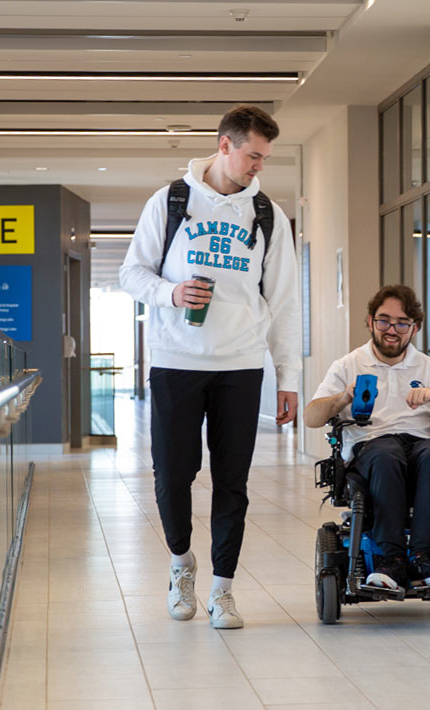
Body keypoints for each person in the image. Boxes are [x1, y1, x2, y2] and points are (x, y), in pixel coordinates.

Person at [119, 105, 301, 629]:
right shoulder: (171, 202)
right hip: (177, 361)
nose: (257, 167)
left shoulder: (268, 215)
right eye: (252, 155)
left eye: (264, 158)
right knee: (172, 475)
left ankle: (223, 589)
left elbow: (285, 302)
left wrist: (287, 377)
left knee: (233, 481)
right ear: (224, 146)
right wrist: (171, 292)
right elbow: (132, 273)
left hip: (241, 365)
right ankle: (181, 565)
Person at [304, 285, 430, 591]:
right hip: (373, 450)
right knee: (386, 451)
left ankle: (423, 556)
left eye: (402, 322)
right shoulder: (347, 365)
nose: (392, 329)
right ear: (370, 321)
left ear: (415, 327)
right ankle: (390, 559)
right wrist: (343, 398)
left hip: (423, 450)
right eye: (384, 320)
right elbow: (311, 417)